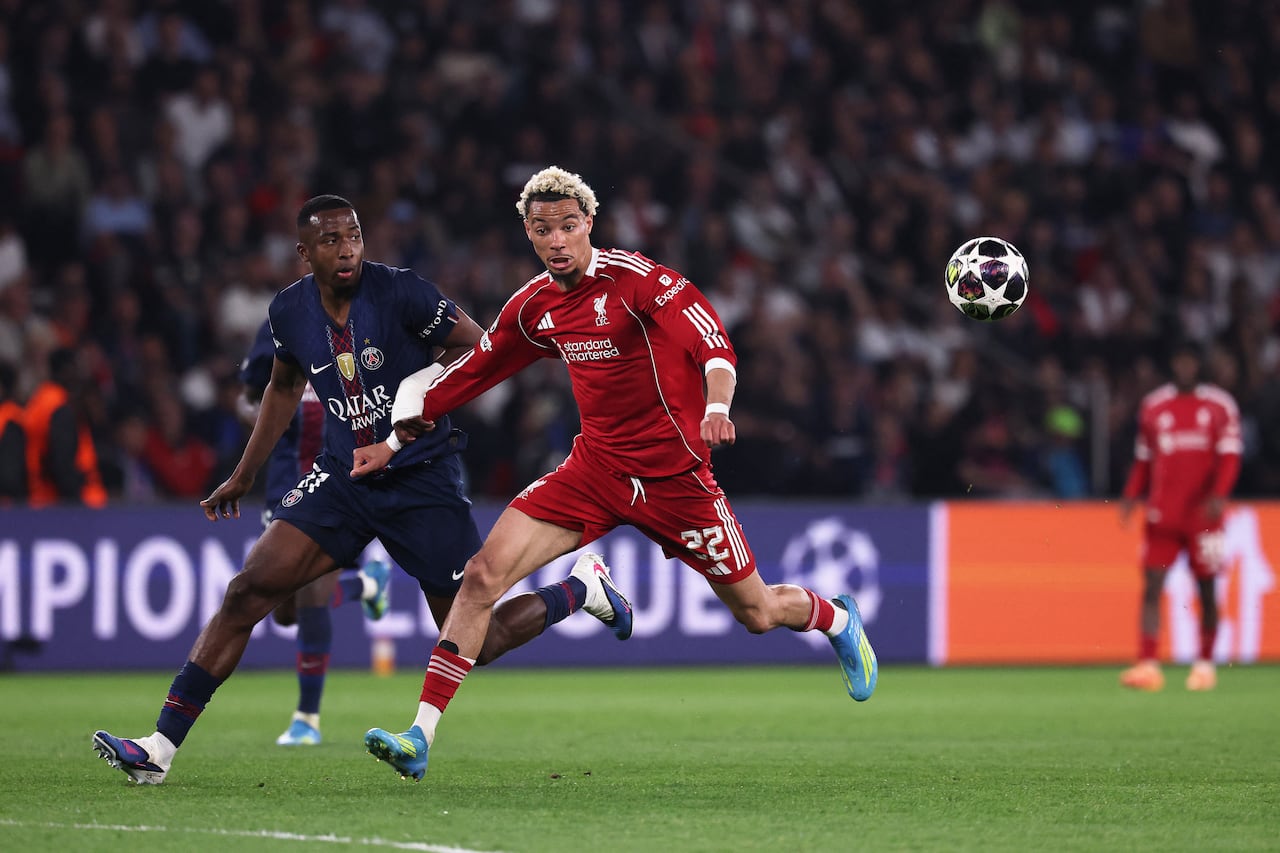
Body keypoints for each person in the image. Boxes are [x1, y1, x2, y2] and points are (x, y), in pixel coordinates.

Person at [352, 166, 878, 782]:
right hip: (594, 472)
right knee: (481, 578)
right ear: (528, 232)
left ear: (589, 226)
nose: (557, 240)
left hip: (678, 482)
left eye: (568, 227)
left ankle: (836, 617)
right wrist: (392, 440)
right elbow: (479, 368)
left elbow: (713, 345)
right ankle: (420, 736)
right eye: (544, 229)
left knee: (758, 613)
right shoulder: (535, 306)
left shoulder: (638, 282)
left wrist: (716, 406)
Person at [92, 195, 632, 784]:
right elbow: (280, 387)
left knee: (486, 635)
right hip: (343, 476)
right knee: (247, 592)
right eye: (331, 241)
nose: (347, 249)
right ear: (305, 253)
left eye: (353, 236)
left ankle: (581, 591)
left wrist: (420, 392)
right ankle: (159, 750)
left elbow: (480, 348)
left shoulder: (402, 291)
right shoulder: (289, 312)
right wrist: (245, 474)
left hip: (422, 478)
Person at [238, 317, 393, 746]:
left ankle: (307, 717)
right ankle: (364, 584)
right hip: (286, 478)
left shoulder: (367, 321)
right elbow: (251, 395)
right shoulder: (279, 324)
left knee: (312, 594)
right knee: (284, 609)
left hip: (341, 477)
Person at [1119, 342, 1242, 692]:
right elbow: (1143, 460)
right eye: (1180, 361)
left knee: (1206, 588)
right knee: (1151, 587)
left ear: (1198, 366)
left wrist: (1220, 494)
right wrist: (1130, 496)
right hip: (1163, 515)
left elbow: (1230, 457)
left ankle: (1204, 664)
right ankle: (1147, 665)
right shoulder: (1154, 406)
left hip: (1204, 516)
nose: (1185, 367)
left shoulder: (1219, 405)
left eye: (1191, 362)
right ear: (1174, 364)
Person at [23, 347, 107, 508]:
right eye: (78, 368)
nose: (82, 376)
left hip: (40, 498)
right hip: (64, 505)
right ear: (67, 370)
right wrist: (75, 500)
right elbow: (62, 463)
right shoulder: (60, 407)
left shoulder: (40, 401)